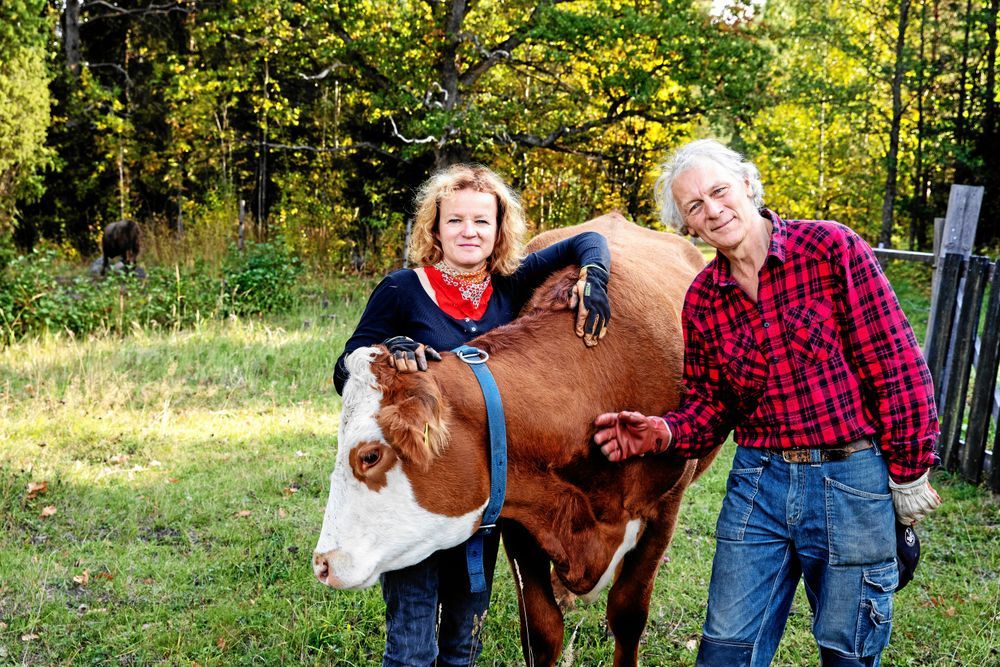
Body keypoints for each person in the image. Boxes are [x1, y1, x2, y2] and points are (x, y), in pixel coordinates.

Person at [592, 139, 941, 667]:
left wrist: (910, 472)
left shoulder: (831, 249)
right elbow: (712, 406)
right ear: (689, 227)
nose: (712, 209)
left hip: (851, 479)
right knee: (725, 651)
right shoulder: (704, 297)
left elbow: (895, 363)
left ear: (748, 186)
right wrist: (661, 431)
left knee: (848, 652)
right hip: (760, 482)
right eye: (694, 206)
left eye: (719, 191)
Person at [334, 164, 612, 667]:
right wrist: (383, 349)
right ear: (434, 228)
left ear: (499, 230)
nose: (469, 231)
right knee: (412, 647)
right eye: (456, 220)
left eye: (482, 222)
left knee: (463, 643)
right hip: (414, 491)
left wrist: (597, 278)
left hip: (480, 496)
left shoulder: (510, 286)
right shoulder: (402, 290)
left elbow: (587, 241)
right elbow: (345, 369)